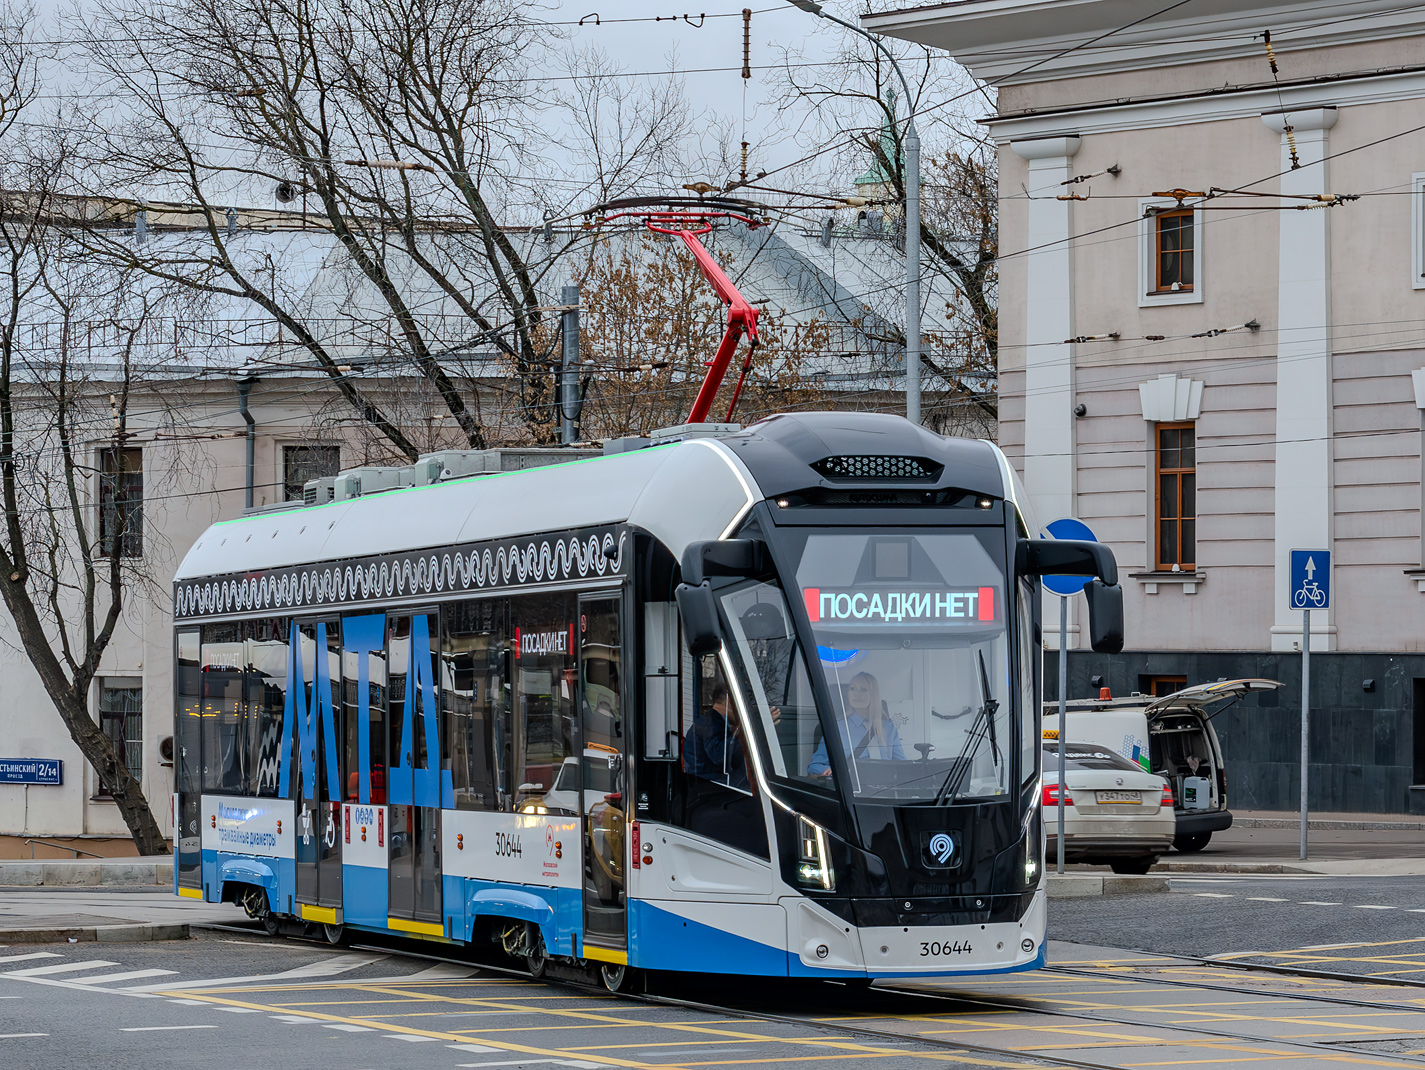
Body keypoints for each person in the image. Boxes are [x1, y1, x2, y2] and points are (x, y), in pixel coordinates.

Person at [807, 671, 905, 776]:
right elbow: (815, 766)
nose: (856, 694)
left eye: (863, 689)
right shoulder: (836, 728)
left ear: (873, 694)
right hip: (851, 788)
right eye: (852, 688)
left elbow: (901, 765)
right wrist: (832, 771)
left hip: (883, 788)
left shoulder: (888, 727)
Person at [683, 683, 751, 791]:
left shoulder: (713, 722)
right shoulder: (711, 724)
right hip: (711, 788)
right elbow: (720, 757)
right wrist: (744, 735)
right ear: (729, 701)